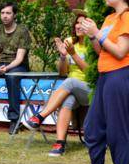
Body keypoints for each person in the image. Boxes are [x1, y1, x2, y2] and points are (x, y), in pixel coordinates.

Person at [78, 0, 129, 164]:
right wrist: (91, 36)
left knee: (118, 130)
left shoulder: (127, 17)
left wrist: (97, 33)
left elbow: (120, 52)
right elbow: (103, 51)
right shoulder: (109, 19)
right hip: (104, 75)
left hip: (120, 76)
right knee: (93, 126)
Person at [22, 10, 90, 156]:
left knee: (70, 82)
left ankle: (40, 116)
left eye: (82, 23)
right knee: (67, 100)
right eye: (77, 23)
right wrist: (63, 57)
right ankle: (60, 144)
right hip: (73, 90)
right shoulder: (71, 42)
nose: (78, 26)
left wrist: (73, 54)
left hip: (91, 90)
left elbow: (90, 73)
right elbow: (62, 73)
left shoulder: (94, 46)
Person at [0, 2, 32, 134]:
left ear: (14, 15)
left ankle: (14, 120)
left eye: (8, 13)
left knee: (11, 77)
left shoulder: (22, 31)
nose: (5, 16)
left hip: (17, 65)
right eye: (2, 13)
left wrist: (7, 68)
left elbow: (19, 58)